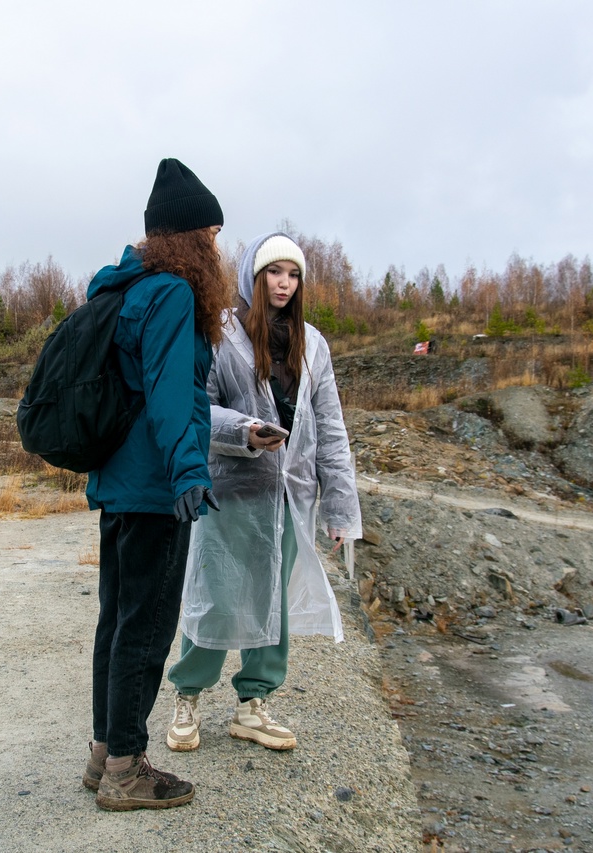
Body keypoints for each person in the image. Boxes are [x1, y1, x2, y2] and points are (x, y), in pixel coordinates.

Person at [165, 231, 361, 753]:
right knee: (217, 594)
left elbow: (330, 428)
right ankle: (187, 695)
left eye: (294, 275)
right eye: (275, 272)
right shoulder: (221, 333)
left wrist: (339, 507)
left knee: (272, 599)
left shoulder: (312, 344)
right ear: (256, 274)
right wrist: (244, 432)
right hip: (232, 491)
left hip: (290, 497)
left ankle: (254, 703)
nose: (284, 283)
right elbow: (197, 408)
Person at [82, 158, 229, 811]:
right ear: (190, 238)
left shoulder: (124, 289)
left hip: (120, 482)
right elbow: (172, 396)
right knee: (144, 628)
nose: (217, 250)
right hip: (155, 488)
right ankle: (125, 770)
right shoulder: (171, 293)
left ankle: (104, 754)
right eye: (212, 237)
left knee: (117, 622)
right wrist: (190, 471)